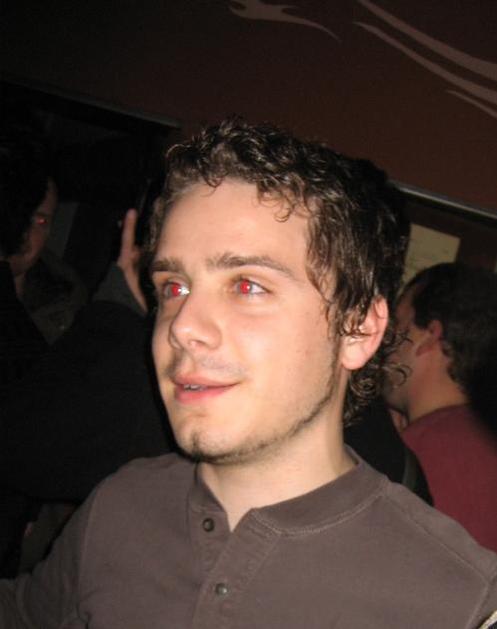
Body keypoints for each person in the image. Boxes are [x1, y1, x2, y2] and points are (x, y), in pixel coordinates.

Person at [1, 118, 496, 628]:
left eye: (247, 286)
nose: (182, 327)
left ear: (358, 330)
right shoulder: (122, 504)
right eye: (173, 287)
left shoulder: (460, 602)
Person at [384, 263, 497, 553]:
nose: (385, 344)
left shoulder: (426, 448)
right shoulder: (480, 437)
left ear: (429, 336)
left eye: (398, 327)